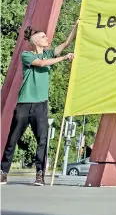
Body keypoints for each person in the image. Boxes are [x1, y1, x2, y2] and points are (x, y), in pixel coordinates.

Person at [1, 20, 78, 186]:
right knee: (12, 139)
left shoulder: (48, 54)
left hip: (40, 105)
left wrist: (75, 27)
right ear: (35, 41)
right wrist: (64, 58)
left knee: (42, 140)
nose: (47, 38)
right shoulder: (27, 55)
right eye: (43, 37)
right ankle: (3, 172)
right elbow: (42, 64)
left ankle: (39, 174)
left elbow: (65, 44)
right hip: (24, 104)